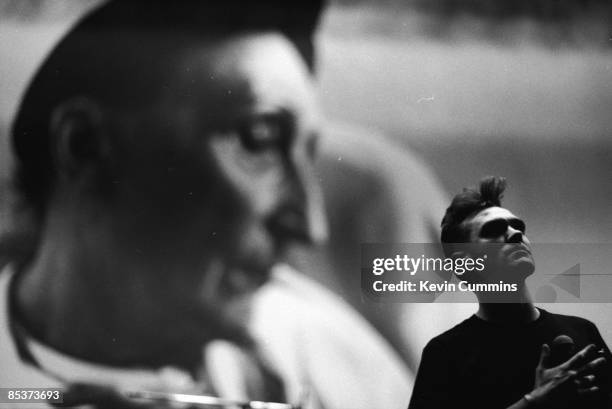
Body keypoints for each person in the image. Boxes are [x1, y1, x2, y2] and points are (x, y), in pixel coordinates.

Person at [0, 1, 411, 408]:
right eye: (259, 139)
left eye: (308, 154)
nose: (310, 227)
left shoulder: (318, 352)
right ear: (82, 146)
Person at [408, 176, 612, 409]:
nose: (516, 234)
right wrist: (534, 402)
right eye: (494, 230)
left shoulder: (582, 331)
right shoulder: (445, 354)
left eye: (519, 226)